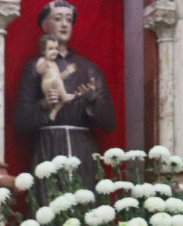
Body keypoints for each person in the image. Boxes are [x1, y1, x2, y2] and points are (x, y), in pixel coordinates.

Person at [12, 1, 115, 189]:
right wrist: (44, 104)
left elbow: (109, 123)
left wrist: (93, 99)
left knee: (84, 205)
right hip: (48, 147)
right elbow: (21, 121)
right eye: (58, 19)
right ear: (44, 26)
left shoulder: (88, 68)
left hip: (82, 148)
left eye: (69, 20)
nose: (65, 24)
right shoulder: (35, 67)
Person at [33, 34, 75, 121]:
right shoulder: (43, 60)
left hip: (55, 84)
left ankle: (54, 111)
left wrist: (67, 72)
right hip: (47, 85)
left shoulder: (54, 64)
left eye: (56, 48)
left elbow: (59, 77)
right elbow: (38, 71)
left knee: (62, 98)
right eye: (51, 49)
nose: (54, 51)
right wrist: (46, 61)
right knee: (63, 94)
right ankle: (65, 97)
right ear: (43, 51)